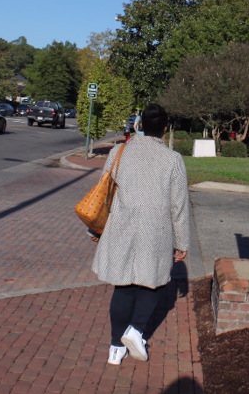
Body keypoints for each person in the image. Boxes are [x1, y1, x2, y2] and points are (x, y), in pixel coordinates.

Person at [90, 103, 191, 365]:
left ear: (140, 125)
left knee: (123, 287)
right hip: (155, 230)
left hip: (121, 225)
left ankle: (115, 348)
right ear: (165, 128)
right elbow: (178, 205)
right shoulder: (173, 159)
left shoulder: (117, 152)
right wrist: (182, 241)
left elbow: (104, 193)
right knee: (153, 282)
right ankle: (136, 330)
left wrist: (97, 228)